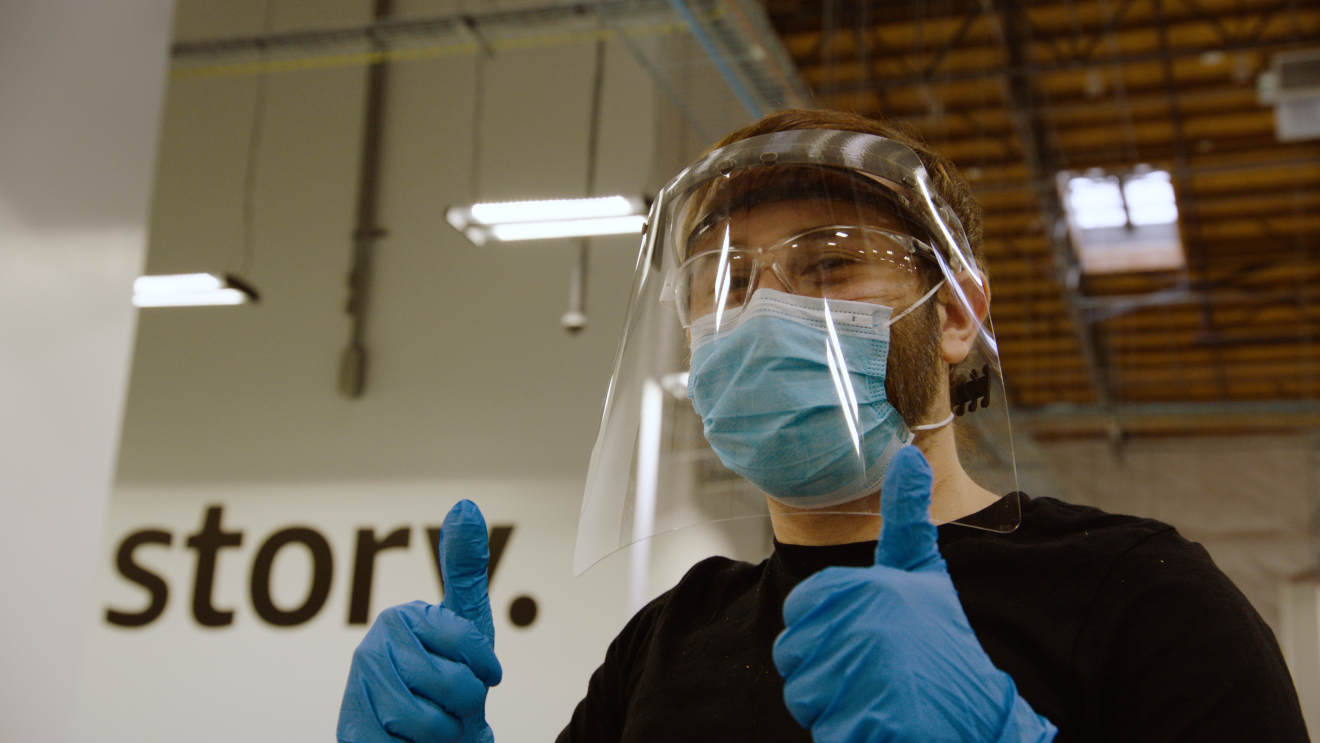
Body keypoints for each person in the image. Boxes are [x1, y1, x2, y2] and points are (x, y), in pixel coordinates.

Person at [336, 110, 1311, 743]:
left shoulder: (1139, 594)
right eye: (726, 279)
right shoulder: (669, 637)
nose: (761, 313)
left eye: (831, 264)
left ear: (959, 313)